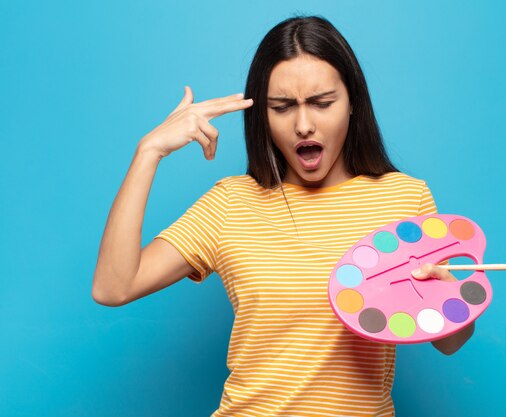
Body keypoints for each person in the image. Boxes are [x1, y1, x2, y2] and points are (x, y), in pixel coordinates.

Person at [93, 15, 475, 417]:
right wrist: (148, 152)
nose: (304, 125)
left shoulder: (404, 199)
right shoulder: (229, 203)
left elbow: (450, 342)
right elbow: (113, 288)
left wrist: (449, 295)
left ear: (352, 105)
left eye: (322, 103)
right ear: (263, 116)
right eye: (282, 107)